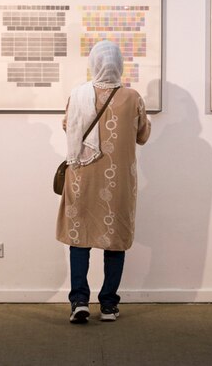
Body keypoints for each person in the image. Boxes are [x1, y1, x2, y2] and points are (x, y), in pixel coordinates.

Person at [56, 41, 151, 324]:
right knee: (115, 241)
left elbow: (66, 127)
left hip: (81, 176)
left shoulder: (77, 95)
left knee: (79, 239)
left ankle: (79, 302)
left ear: (93, 64)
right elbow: (142, 135)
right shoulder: (132, 97)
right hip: (118, 181)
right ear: (118, 65)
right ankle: (108, 305)